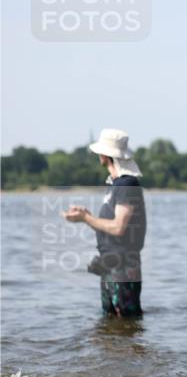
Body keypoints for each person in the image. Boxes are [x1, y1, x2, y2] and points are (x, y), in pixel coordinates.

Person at [62, 128, 146, 318]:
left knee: (126, 321)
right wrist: (85, 216)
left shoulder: (127, 184)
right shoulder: (115, 184)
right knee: (111, 321)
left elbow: (118, 227)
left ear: (105, 155)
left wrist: (85, 219)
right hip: (111, 263)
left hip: (123, 265)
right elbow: (111, 224)